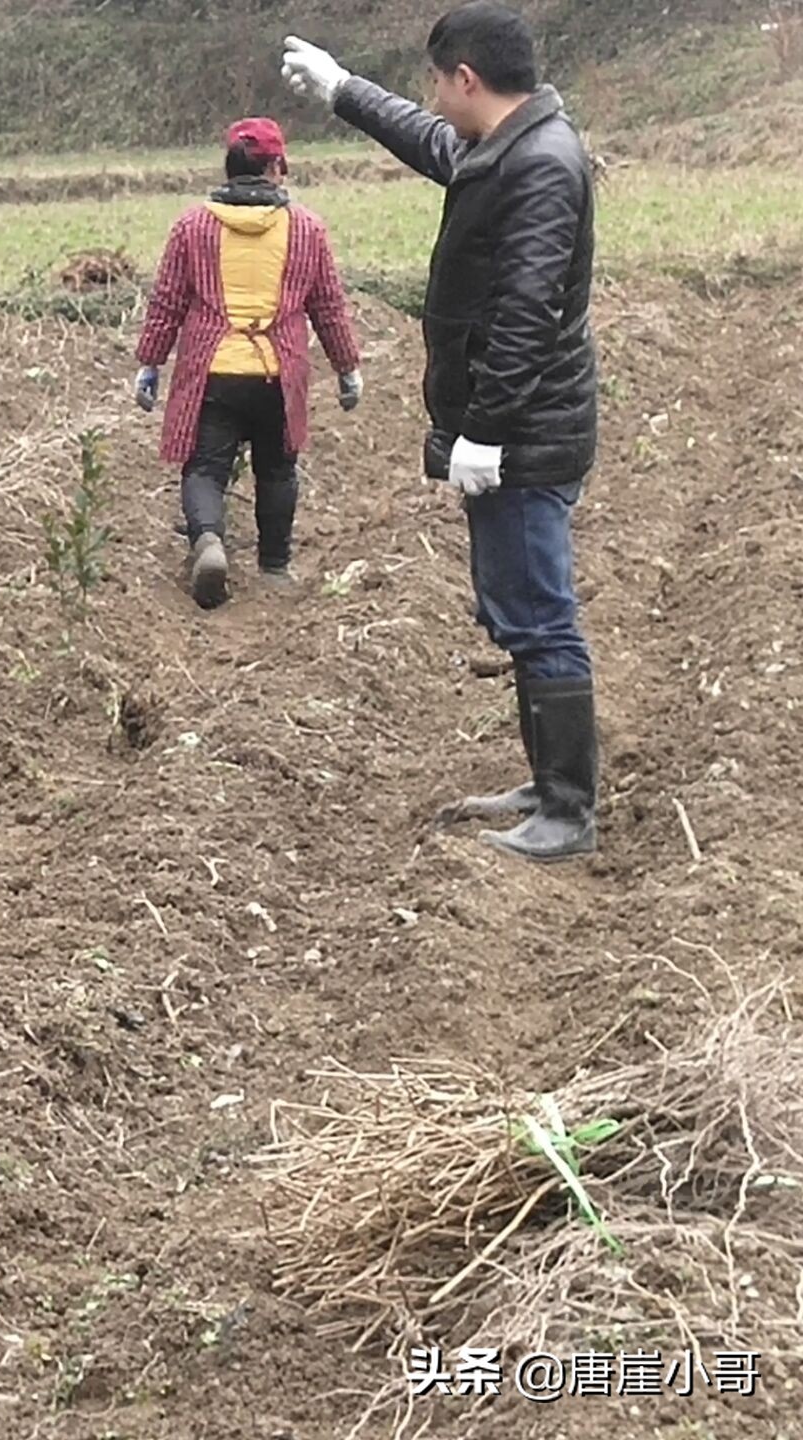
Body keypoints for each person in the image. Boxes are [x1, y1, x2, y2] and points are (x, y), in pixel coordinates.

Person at [282, 2, 599, 861]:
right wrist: (346, 90)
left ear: (467, 78)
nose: (432, 95)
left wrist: (487, 432)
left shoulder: (540, 166)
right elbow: (429, 140)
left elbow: (529, 315)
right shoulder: (508, 143)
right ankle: (547, 781)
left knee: (539, 611)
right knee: (516, 605)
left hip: (526, 434)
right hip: (516, 427)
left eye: (435, 79)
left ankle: (569, 809)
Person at [133, 117, 364, 610]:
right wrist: (347, 367)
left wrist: (150, 363)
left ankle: (210, 541)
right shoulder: (306, 229)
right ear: (277, 167)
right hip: (278, 375)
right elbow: (328, 307)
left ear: (229, 167)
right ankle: (275, 567)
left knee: (205, 470)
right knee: (278, 470)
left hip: (213, 372)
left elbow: (167, 303)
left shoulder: (193, 227)